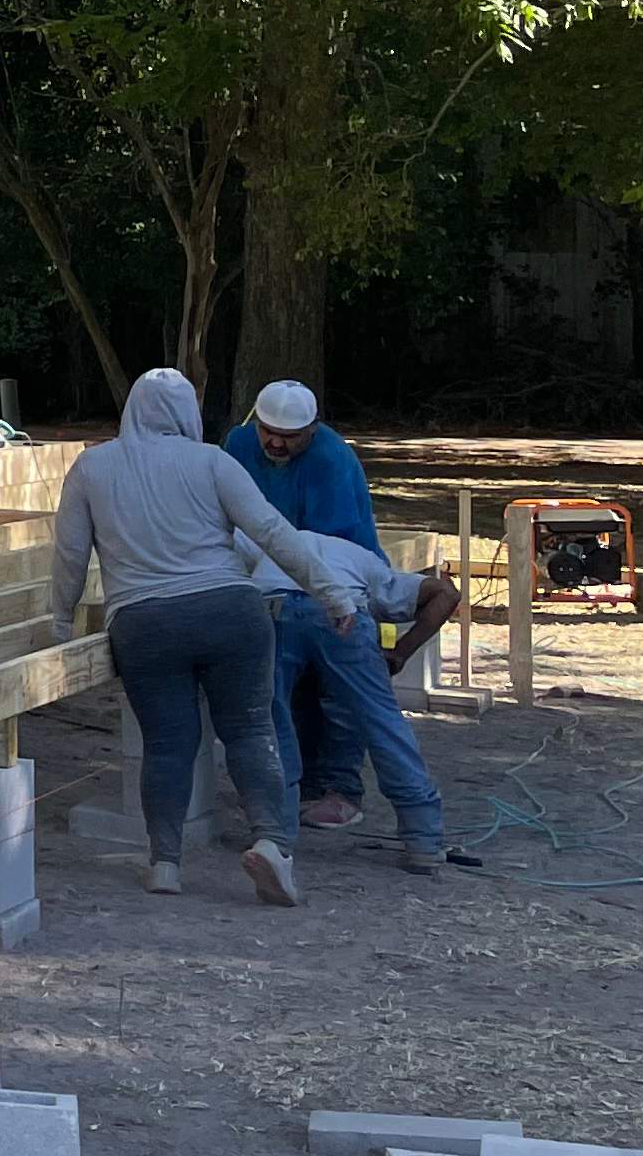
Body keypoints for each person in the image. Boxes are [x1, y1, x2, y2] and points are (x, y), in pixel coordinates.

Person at [52, 368, 361, 905]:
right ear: (186, 415)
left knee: (167, 745)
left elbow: (70, 556)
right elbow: (269, 532)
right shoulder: (213, 461)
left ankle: (164, 863)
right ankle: (272, 843)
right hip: (230, 613)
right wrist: (332, 593)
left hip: (144, 624)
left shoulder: (90, 467)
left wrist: (59, 623)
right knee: (249, 733)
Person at [221, 379, 389, 829]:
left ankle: (340, 789)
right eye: (268, 431)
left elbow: (322, 547)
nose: (275, 442)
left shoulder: (331, 459)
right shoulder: (238, 444)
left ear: (312, 429)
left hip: (337, 576)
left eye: (289, 436)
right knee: (280, 688)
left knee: (338, 693)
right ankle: (288, 788)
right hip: (268, 576)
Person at [268, 527, 471, 875]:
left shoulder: (266, 541)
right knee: (382, 721)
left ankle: (274, 835)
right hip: (343, 609)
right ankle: (423, 839)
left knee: (271, 721)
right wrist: (401, 654)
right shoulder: (372, 566)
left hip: (273, 606)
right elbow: (446, 593)